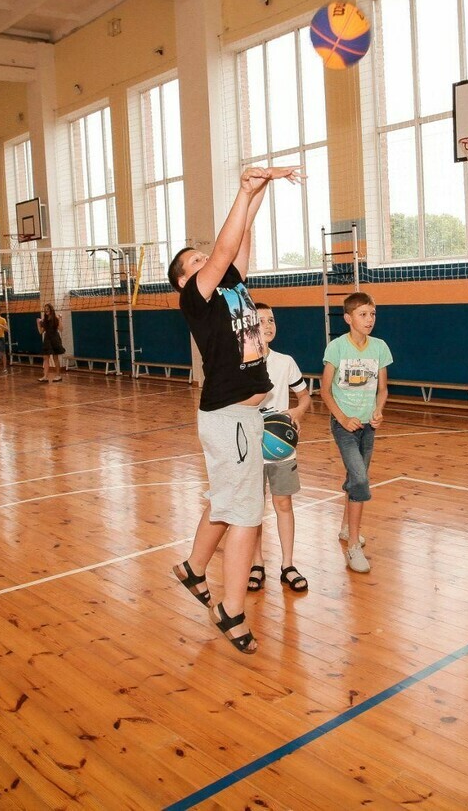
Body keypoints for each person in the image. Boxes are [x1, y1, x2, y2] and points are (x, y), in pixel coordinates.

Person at [168, 165, 302, 654]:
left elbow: (239, 240)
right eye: (196, 259)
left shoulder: (231, 286)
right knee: (247, 515)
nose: (208, 258)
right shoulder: (196, 299)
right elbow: (225, 248)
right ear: (185, 279)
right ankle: (231, 609)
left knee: (227, 502)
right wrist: (241, 192)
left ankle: (193, 568)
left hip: (242, 418)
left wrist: (259, 193)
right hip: (230, 417)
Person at [321, 291, 392, 574]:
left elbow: (383, 390)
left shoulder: (380, 347)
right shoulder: (336, 348)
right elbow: (325, 391)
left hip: (367, 427)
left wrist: (378, 410)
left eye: (372, 314)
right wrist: (342, 418)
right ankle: (353, 546)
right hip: (344, 426)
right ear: (348, 318)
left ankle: (344, 527)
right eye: (363, 314)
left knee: (355, 477)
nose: (369, 319)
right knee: (360, 480)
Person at [248, 302, 314, 595]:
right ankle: (256, 563)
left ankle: (288, 565)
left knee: (283, 503)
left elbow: (304, 397)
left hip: (281, 448)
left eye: (271, 320)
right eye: (261, 320)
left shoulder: (285, 361)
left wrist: (297, 413)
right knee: (253, 509)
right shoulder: (240, 362)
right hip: (250, 447)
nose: (268, 325)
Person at [38, 303, 64, 382]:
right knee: (45, 357)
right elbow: (41, 332)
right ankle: (45, 376)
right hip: (47, 339)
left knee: (55, 357)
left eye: (47, 309)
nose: (46, 310)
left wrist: (60, 319)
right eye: (45, 309)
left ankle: (58, 375)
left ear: (51, 310)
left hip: (55, 338)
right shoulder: (44, 320)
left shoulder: (55, 319)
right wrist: (38, 323)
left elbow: (61, 329)